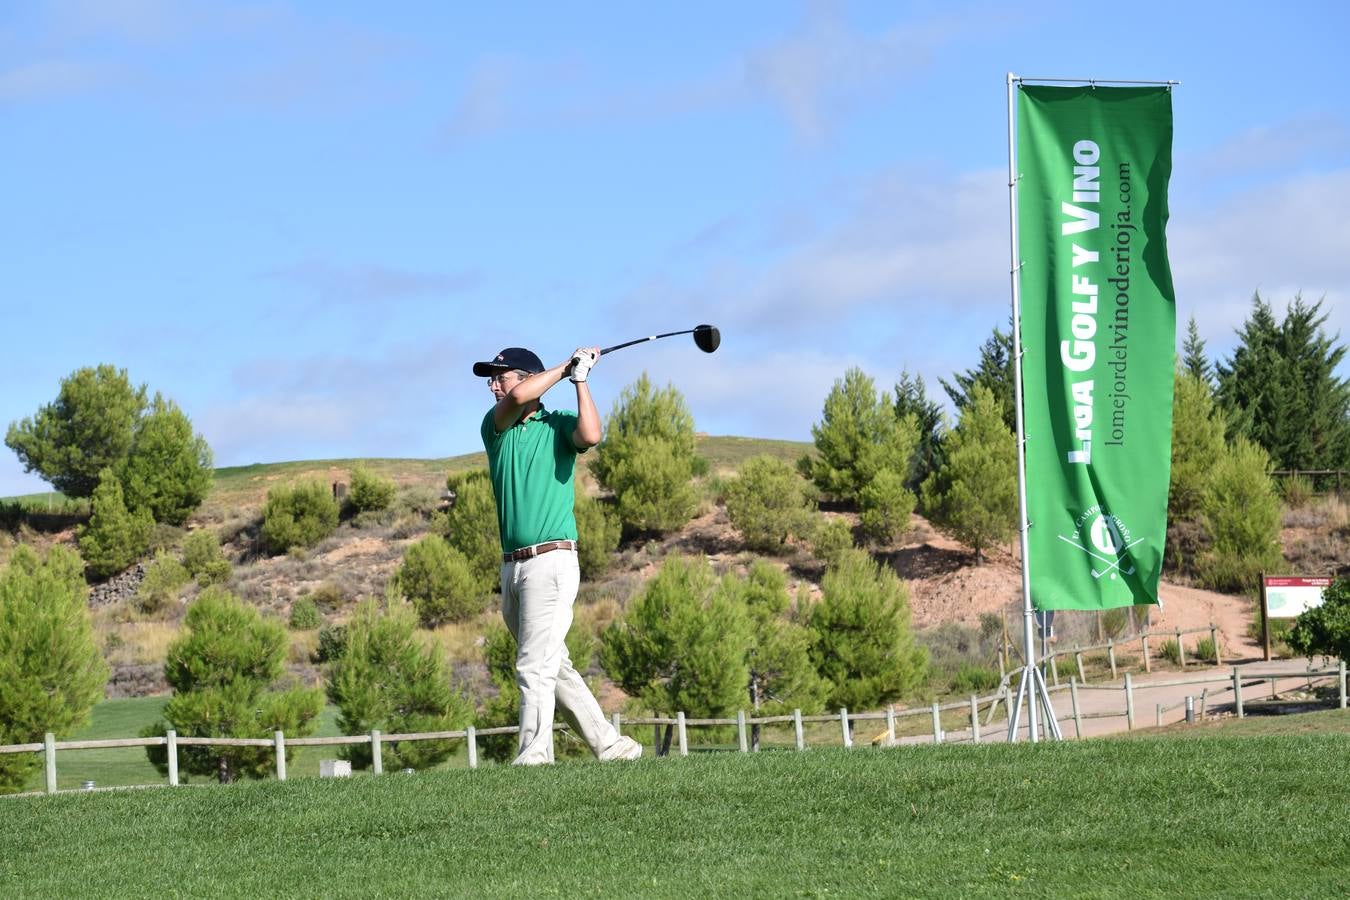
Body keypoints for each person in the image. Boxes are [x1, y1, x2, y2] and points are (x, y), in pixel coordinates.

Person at [472, 344, 643, 765]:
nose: (493, 384)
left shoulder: (559, 423)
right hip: (512, 565)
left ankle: (534, 755)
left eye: (501, 375)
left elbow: (591, 435)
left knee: (533, 664)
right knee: (554, 664)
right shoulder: (496, 426)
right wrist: (567, 366)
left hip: (552, 560)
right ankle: (612, 745)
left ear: (528, 378)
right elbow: (515, 398)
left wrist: (580, 380)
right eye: (491, 378)